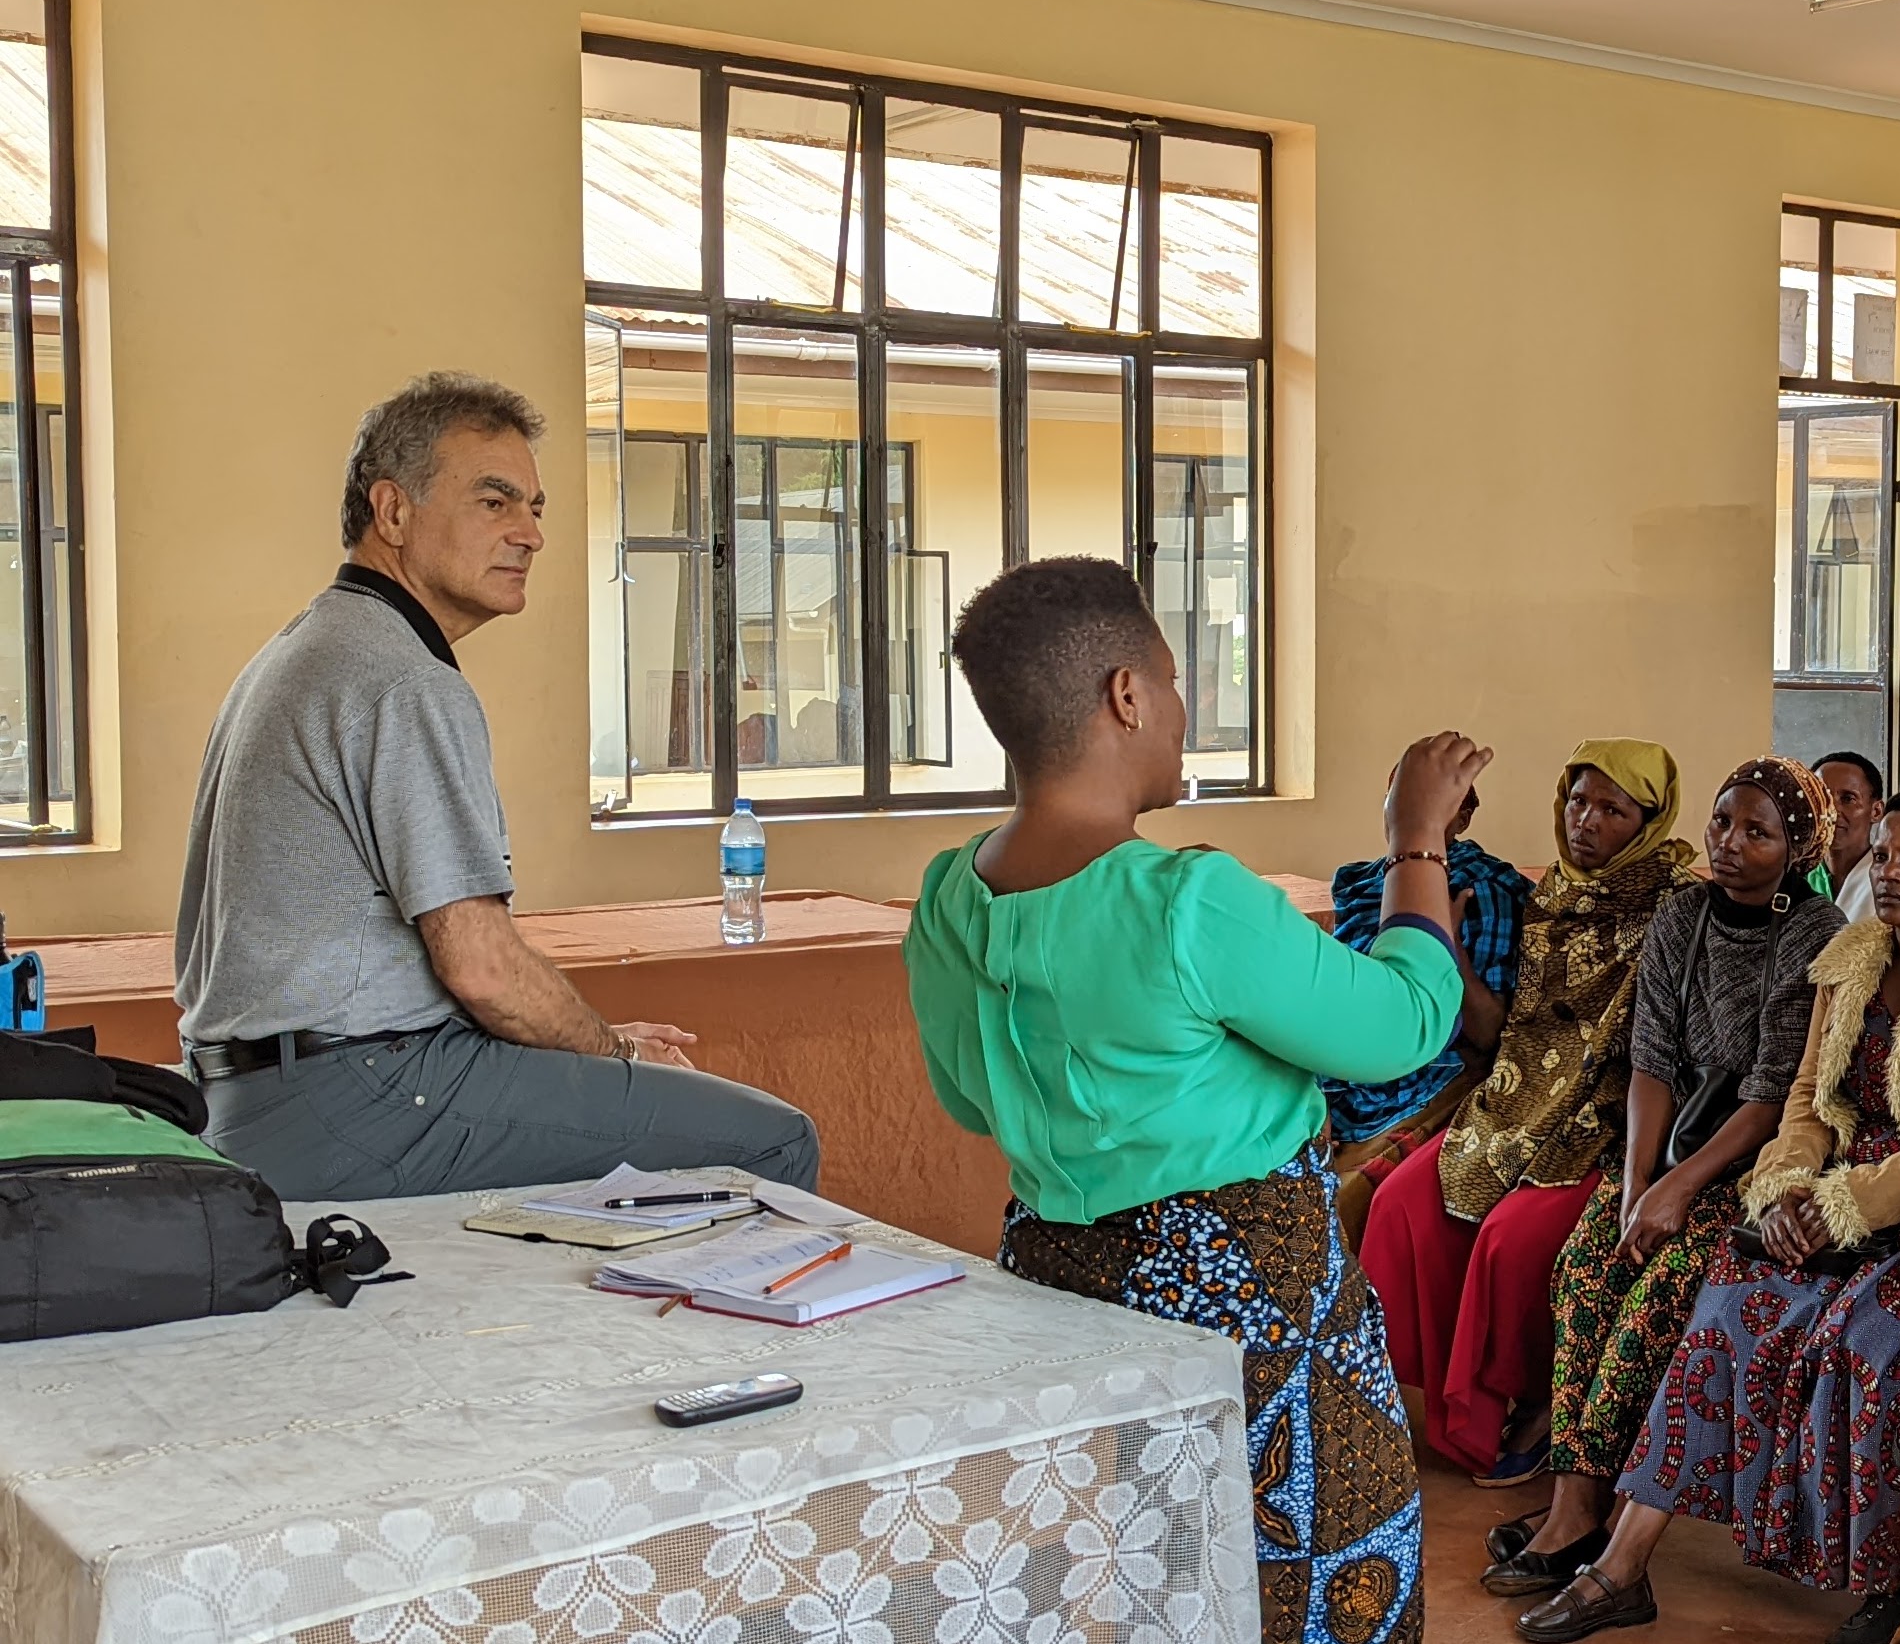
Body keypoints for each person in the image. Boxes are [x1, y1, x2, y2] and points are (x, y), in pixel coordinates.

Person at [905, 557, 1478, 1644]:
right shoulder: (1186, 900)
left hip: (1055, 1292)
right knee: (1311, 1591)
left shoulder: (947, 897)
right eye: (1169, 682)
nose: (1178, 708)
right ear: (1126, 694)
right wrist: (1416, 839)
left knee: (1128, 1587)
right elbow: (1403, 1022)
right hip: (1247, 1313)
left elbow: (970, 1101)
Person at [179, 374, 817, 1202]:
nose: (530, 535)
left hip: (255, 1089)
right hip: (357, 1096)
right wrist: (615, 1053)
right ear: (393, 511)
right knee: (770, 1141)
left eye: (537, 508)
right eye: (494, 501)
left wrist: (586, 1047)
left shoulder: (309, 648)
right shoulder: (401, 680)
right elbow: (480, 967)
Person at [1517, 792, 1900, 1644]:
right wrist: (1787, 1187)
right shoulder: (1850, 957)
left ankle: (1891, 1577)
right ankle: (1621, 1567)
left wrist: (1847, 1206)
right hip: (1820, 1199)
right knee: (1724, 1310)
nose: (1892, 874)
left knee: (1855, 1341)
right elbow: (1808, 1098)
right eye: (1885, 858)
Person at [1483, 759, 1841, 1595]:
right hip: (1672, 1147)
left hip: (1755, 1166)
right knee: (1586, 1268)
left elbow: (1772, 1088)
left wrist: (1680, 1192)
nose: (1730, 843)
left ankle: (1581, 1516)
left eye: (1758, 831)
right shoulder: (1681, 912)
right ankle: (1575, 1502)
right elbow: (1651, 1058)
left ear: (1796, 847)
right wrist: (1637, 1183)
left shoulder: (1812, 931)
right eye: (1723, 822)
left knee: (1660, 1292)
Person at [1365, 742, 1693, 1480]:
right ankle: (1414, 1399)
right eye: (1578, 801)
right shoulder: (1552, 897)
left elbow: (1660, 1054)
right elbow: (1506, 1030)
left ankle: (1540, 1402)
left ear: (1649, 818)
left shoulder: (1676, 907)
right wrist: (1444, 943)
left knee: (1513, 1240)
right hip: (1516, 1102)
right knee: (1403, 1203)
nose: (1586, 821)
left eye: (1613, 809)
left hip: (1611, 1120)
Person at [1323, 784, 1530, 1253]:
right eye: (1400, 794)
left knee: (1339, 1206)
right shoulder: (1361, 883)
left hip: (1435, 1079)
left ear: (1466, 816)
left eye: (1432, 800)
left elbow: (1487, 1036)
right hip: (1348, 1076)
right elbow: (1339, 1008)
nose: (1411, 808)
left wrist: (1448, 944)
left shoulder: (1486, 891)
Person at [1814, 750, 1888, 921]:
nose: (1831, 811)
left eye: (1848, 799)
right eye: (1821, 799)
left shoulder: (1888, 881)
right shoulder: (1795, 880)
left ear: (1876, 811)